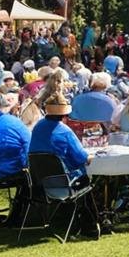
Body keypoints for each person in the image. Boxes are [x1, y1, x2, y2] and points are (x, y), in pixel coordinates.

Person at [29, 91, 103, 233]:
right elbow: (82, 157)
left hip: (41, 181)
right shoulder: (64, 131)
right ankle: (91, 222)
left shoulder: (38, 127)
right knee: (88, 179)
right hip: (65, 181)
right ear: (64, 114)